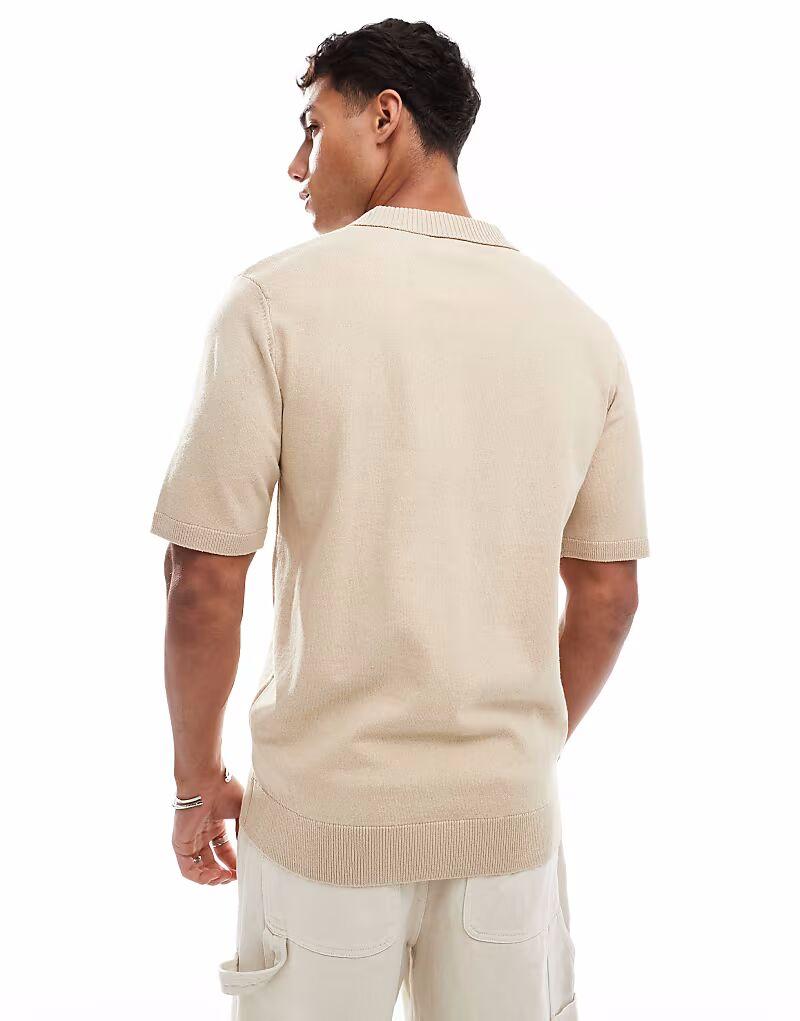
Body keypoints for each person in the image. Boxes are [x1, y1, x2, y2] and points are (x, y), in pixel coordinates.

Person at [150, 17, 648, 1020]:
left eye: (312, 125)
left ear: (385, 117)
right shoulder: (577, 329)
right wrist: (505, 760)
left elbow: (202, 581)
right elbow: (607, 595)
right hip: (508, 831)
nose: (296, 164)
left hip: (324, 828)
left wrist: (197, 785)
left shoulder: (273, 303)